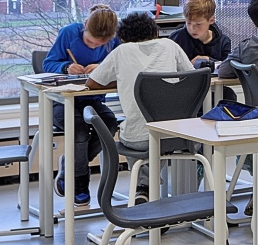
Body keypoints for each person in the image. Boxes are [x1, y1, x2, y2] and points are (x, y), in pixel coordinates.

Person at [84, 10, 196, 169]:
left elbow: (92, 83)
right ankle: (147, 181)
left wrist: (123, 80)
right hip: (175, 134)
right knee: (159, 139)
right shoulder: (170, 45)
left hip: (138, 138)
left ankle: (143, 182)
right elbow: (191, 77)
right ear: (155, 32)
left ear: (123, 39)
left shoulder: (121, 51)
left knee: (138, 137)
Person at [40, 5, 120, 204]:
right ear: (85, 26)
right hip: (62, 102)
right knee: (79, 130)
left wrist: (102, 67)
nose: (94, 47)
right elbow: (47, 64)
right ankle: (80, 182)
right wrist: (66, 67)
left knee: (109, 125)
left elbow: (121, 66)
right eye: (90, 41)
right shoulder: (69, 33)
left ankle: (69, 166)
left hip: (93, 99)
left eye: (100, 44)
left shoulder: (115, 41)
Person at [173, 0, 231, 68]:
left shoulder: (223, 42)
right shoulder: (176, 39)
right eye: (189, 23)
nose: (192, 29)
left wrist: (209, 60)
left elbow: (227, 67)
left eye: (198, 24)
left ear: (211, 20)